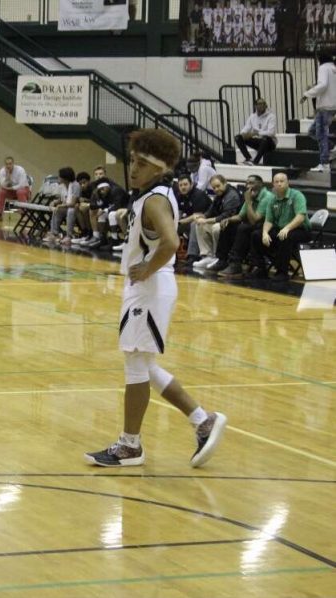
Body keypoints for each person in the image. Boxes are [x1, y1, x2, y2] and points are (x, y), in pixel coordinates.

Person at [84, 129, 227, 468]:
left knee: (135, 364)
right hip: (150, 287)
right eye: (133, 160)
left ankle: (130, 445)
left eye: (143, 163)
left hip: (150, 288)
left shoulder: (155, 199)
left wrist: (146, 268)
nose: (133, 168)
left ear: (159, 168)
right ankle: (202, 420)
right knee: (146, 366)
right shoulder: (152, 194)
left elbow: (170, 240)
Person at [245, 172, 312, 282]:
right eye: (277, 182)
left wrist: (287, 228)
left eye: (282, 181)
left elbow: (300, 217)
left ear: (287, 183)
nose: (279, 184)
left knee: (285, 236)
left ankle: (282, 272)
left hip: (300, 230)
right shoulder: (272, 199)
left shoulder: (297, 195)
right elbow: (269, 220)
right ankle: (260, 268)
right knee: (256, 235)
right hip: (281, 228)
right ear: (273, 184)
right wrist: (265, 233)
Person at [215, 175, 274, 277]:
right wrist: (228, 219)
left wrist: (248, 202)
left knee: (244, 228)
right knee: (229, 225)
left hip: (267, 227)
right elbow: (240, 216)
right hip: (255, 226)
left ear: (260, 184)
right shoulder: (251, 195)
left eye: (251, 183)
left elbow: (254, 220)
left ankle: (236, 263)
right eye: (247, 183)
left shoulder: (267, 197)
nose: (248, 186)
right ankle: (223, 260)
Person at [192, 174, 241, 271]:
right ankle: (207, 256)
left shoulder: (232, 195)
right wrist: (202, 216)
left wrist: (206, 220)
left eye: (218, 186)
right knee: (199, 225)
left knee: (216, 227)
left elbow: (225, 216)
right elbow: (211, 211)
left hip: (232, 225)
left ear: (225, 183)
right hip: (221, 221)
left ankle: (218, 257)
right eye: (214, 187)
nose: (216, 189)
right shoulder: (219, 195)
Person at [301, 54, 336, 172]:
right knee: (312, 131)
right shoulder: (333, 69)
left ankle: (324, 163)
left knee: (321, 134)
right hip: (331, 105)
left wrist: (307, 94)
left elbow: (323, 85)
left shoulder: (323, 68)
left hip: (325, 106)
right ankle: (331, 146)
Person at [234, 98, 277, 165]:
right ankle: (248, 158)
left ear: (266, 106)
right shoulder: (252, 116)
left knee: (265, 139)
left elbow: (271, 133)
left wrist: (257, 133)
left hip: (269, 143)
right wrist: (243, 134)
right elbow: (246, 128)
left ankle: (255, 162)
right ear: (255, 106)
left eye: (263, 104)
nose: (262, 105)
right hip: (258, 142)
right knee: (238, 137)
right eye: (259, 104)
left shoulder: (271, 116)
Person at [0, 156, 29, 222]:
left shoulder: (20, 170)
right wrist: (8, 177)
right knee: (1, 192)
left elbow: (21, 185)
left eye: (10, 164)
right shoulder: (2, 171)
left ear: (13, 163)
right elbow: (2, 185)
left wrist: (11, 188)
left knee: (20, 192)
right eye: (7, 164)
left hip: (24, 190)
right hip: (11, 191)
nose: (8, 166)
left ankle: (24, 215)